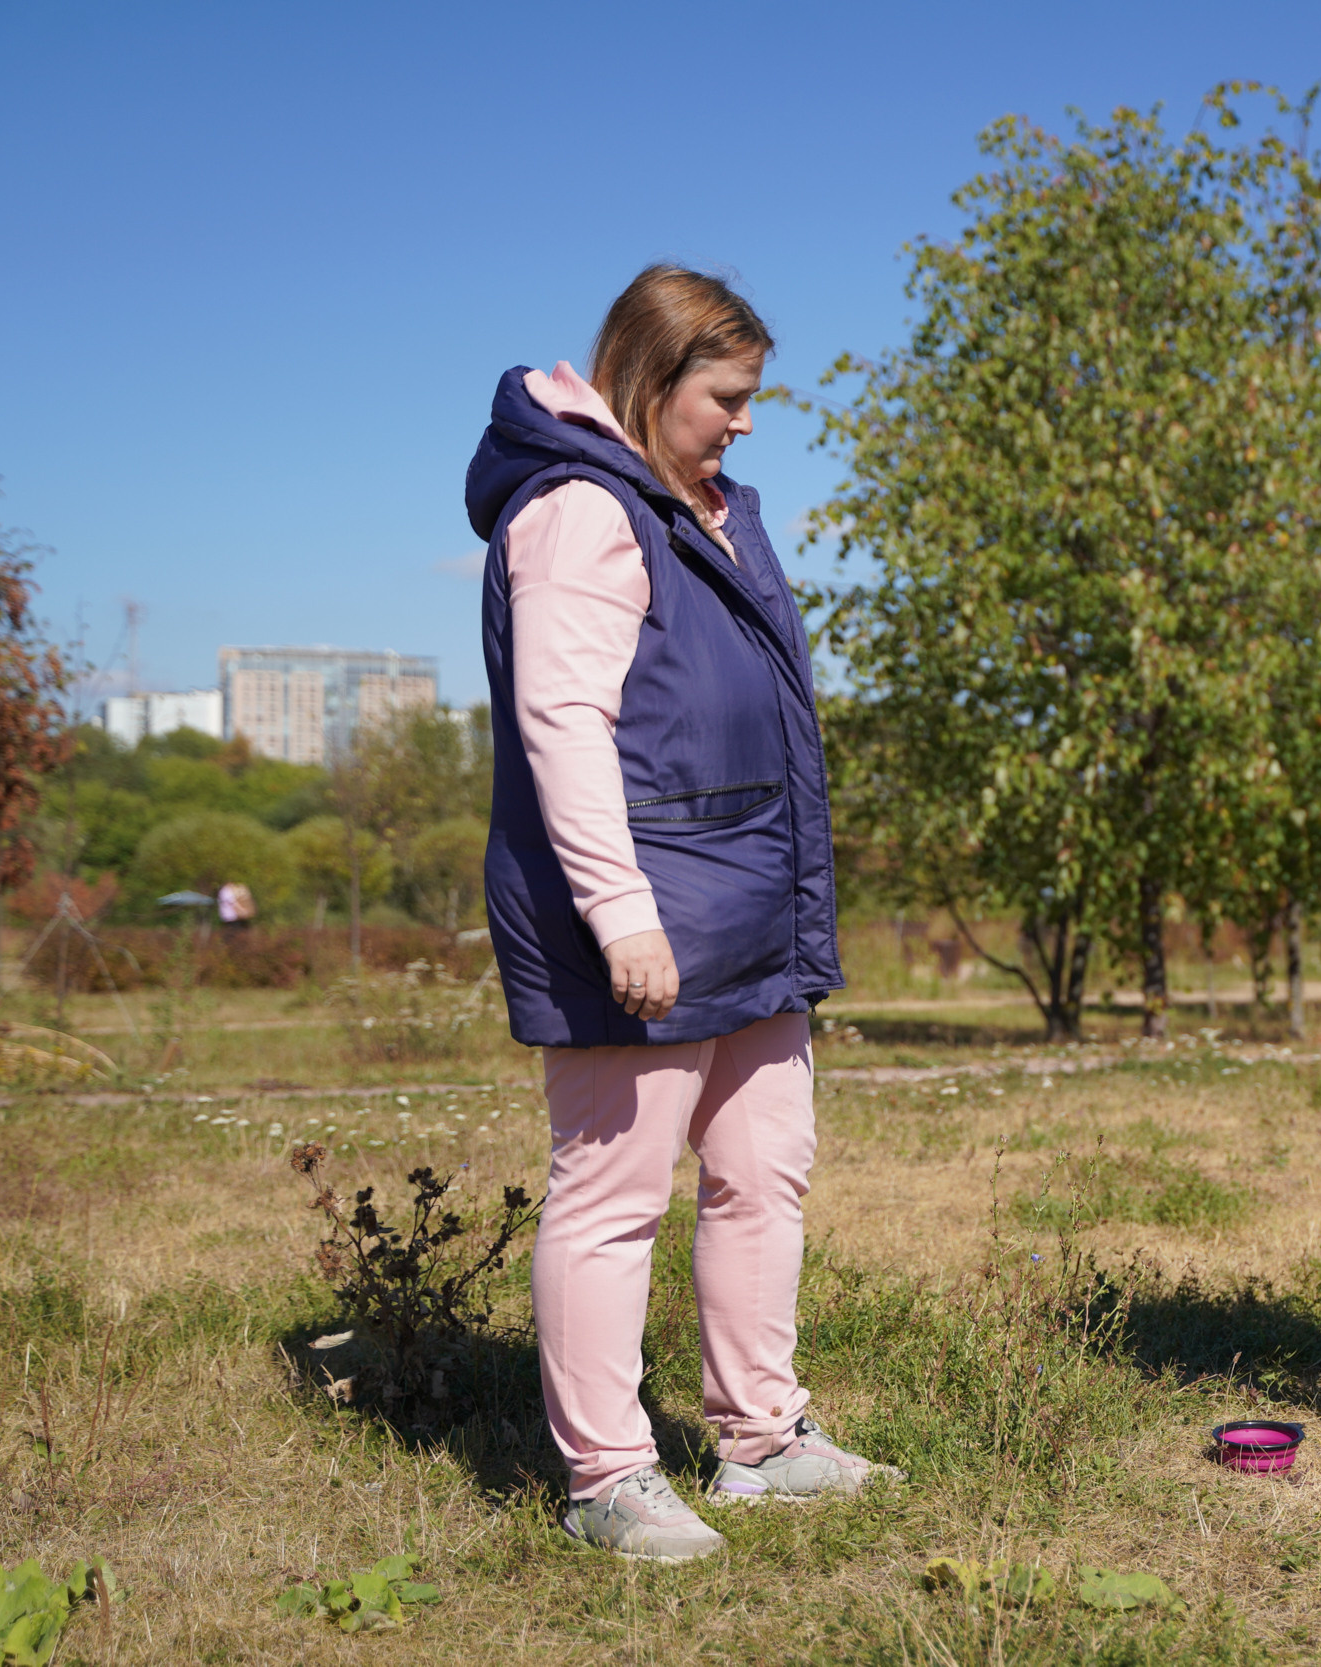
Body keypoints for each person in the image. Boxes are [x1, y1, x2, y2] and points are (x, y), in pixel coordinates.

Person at [465, 265, 893, 1564]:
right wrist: (621, 915)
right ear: (655, 382)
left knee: (764, 1173)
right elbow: (564, 727)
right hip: (640, 918)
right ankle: (609, 1475)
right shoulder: (583, 513)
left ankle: (761, 1437)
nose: (748, 421)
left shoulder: (705, 506)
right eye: (730, 395)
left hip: (752, 904)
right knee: (613, 1196)